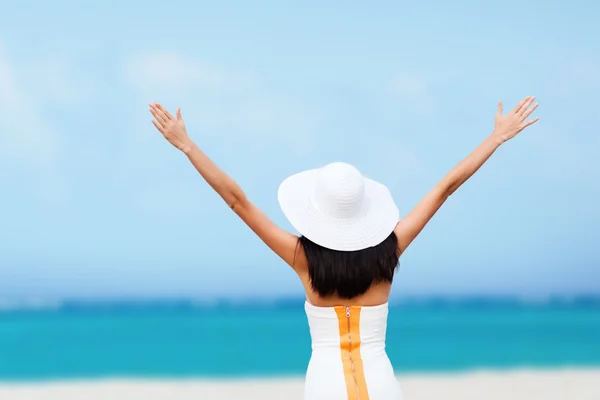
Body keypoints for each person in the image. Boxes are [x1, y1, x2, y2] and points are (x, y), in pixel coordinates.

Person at [149, 96, 539, 400]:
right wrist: (496, 137)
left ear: (316, 212)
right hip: (382, 385)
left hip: (326, 386)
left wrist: (187, 145)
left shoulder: (303, 259)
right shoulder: (390, 250)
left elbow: (238, 201)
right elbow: (445, 189)